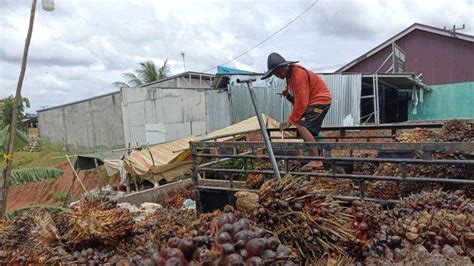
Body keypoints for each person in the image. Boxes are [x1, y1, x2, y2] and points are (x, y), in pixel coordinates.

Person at [261, 52, 332, 171]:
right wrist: (287, 93)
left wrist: (290, 121)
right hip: (316, 102)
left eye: (277, 72)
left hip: (320, 102)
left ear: (284, 67)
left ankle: (316, 160)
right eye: (275, 74)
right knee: (307, 128)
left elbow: (301, 104)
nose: (277, 76)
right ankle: (319, 155)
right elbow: (297, 96)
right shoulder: (291, 75)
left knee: (301, 126)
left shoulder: (297, 75)